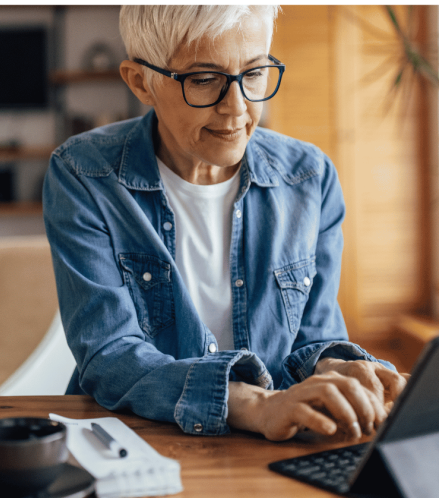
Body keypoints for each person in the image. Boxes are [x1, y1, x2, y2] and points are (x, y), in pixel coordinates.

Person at [43, 5, 408, 441]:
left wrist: (340, 368)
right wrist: (257, 405)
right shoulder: (85, 174)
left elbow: (316, 335)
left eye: (253, 74)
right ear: (141, 81)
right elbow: (110, 356)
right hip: (138, 441)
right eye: (203, 79)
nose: (236, 109)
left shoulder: (310, 176)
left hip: (277, 440)